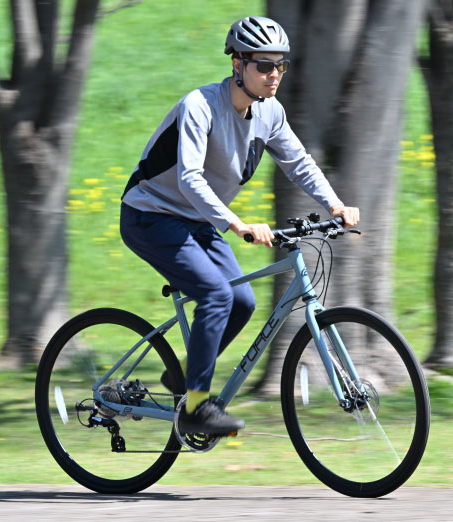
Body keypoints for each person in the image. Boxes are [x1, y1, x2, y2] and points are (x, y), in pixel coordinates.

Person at [119, 16, 359, 436]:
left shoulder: (270, 113)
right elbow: (189, 178)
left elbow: (298, 163)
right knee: (215, 295)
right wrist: (236, 224)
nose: (274, 75)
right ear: (237, 65)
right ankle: (195, 406)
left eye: (280, 65)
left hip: (196, 221)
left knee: (242, 301)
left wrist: (335, 203)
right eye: (263, 66)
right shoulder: (199, 105)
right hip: (151, 215)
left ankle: (184, 380)